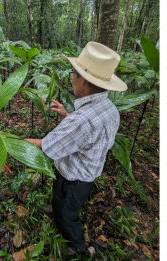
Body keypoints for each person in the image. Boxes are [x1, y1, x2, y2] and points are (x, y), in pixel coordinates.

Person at [24, 42, 127, 256]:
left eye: (74, 73)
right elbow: (88, 132)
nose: (71, 77)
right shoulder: (109, 108)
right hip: (84, 176)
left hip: (74, 179)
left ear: (84, 81)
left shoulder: (81, 121)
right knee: (59, 197)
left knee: (68, 214)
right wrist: (65, 115)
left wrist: (10, 140)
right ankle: (56, 209)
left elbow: (48, 147)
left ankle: (76, 244)